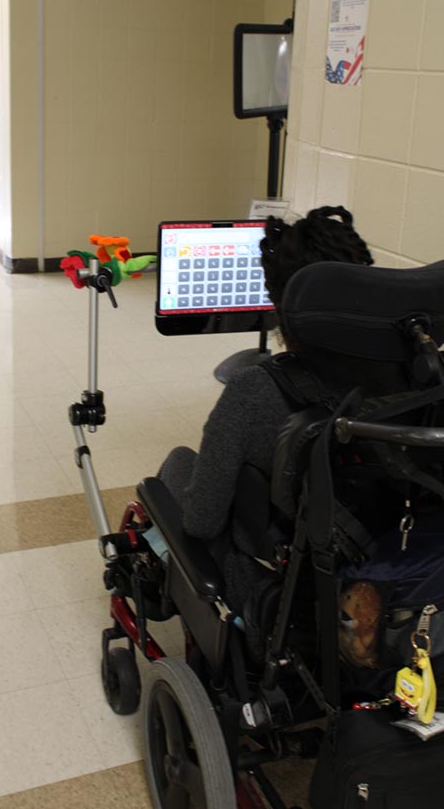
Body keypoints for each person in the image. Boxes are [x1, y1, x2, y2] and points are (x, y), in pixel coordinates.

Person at [157, 206, 410, 614]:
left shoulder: (255, 390)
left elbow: (202, 522)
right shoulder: (416, 377)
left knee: (178, 466)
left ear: (282, 302)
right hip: (401, 586)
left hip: (292, 612)